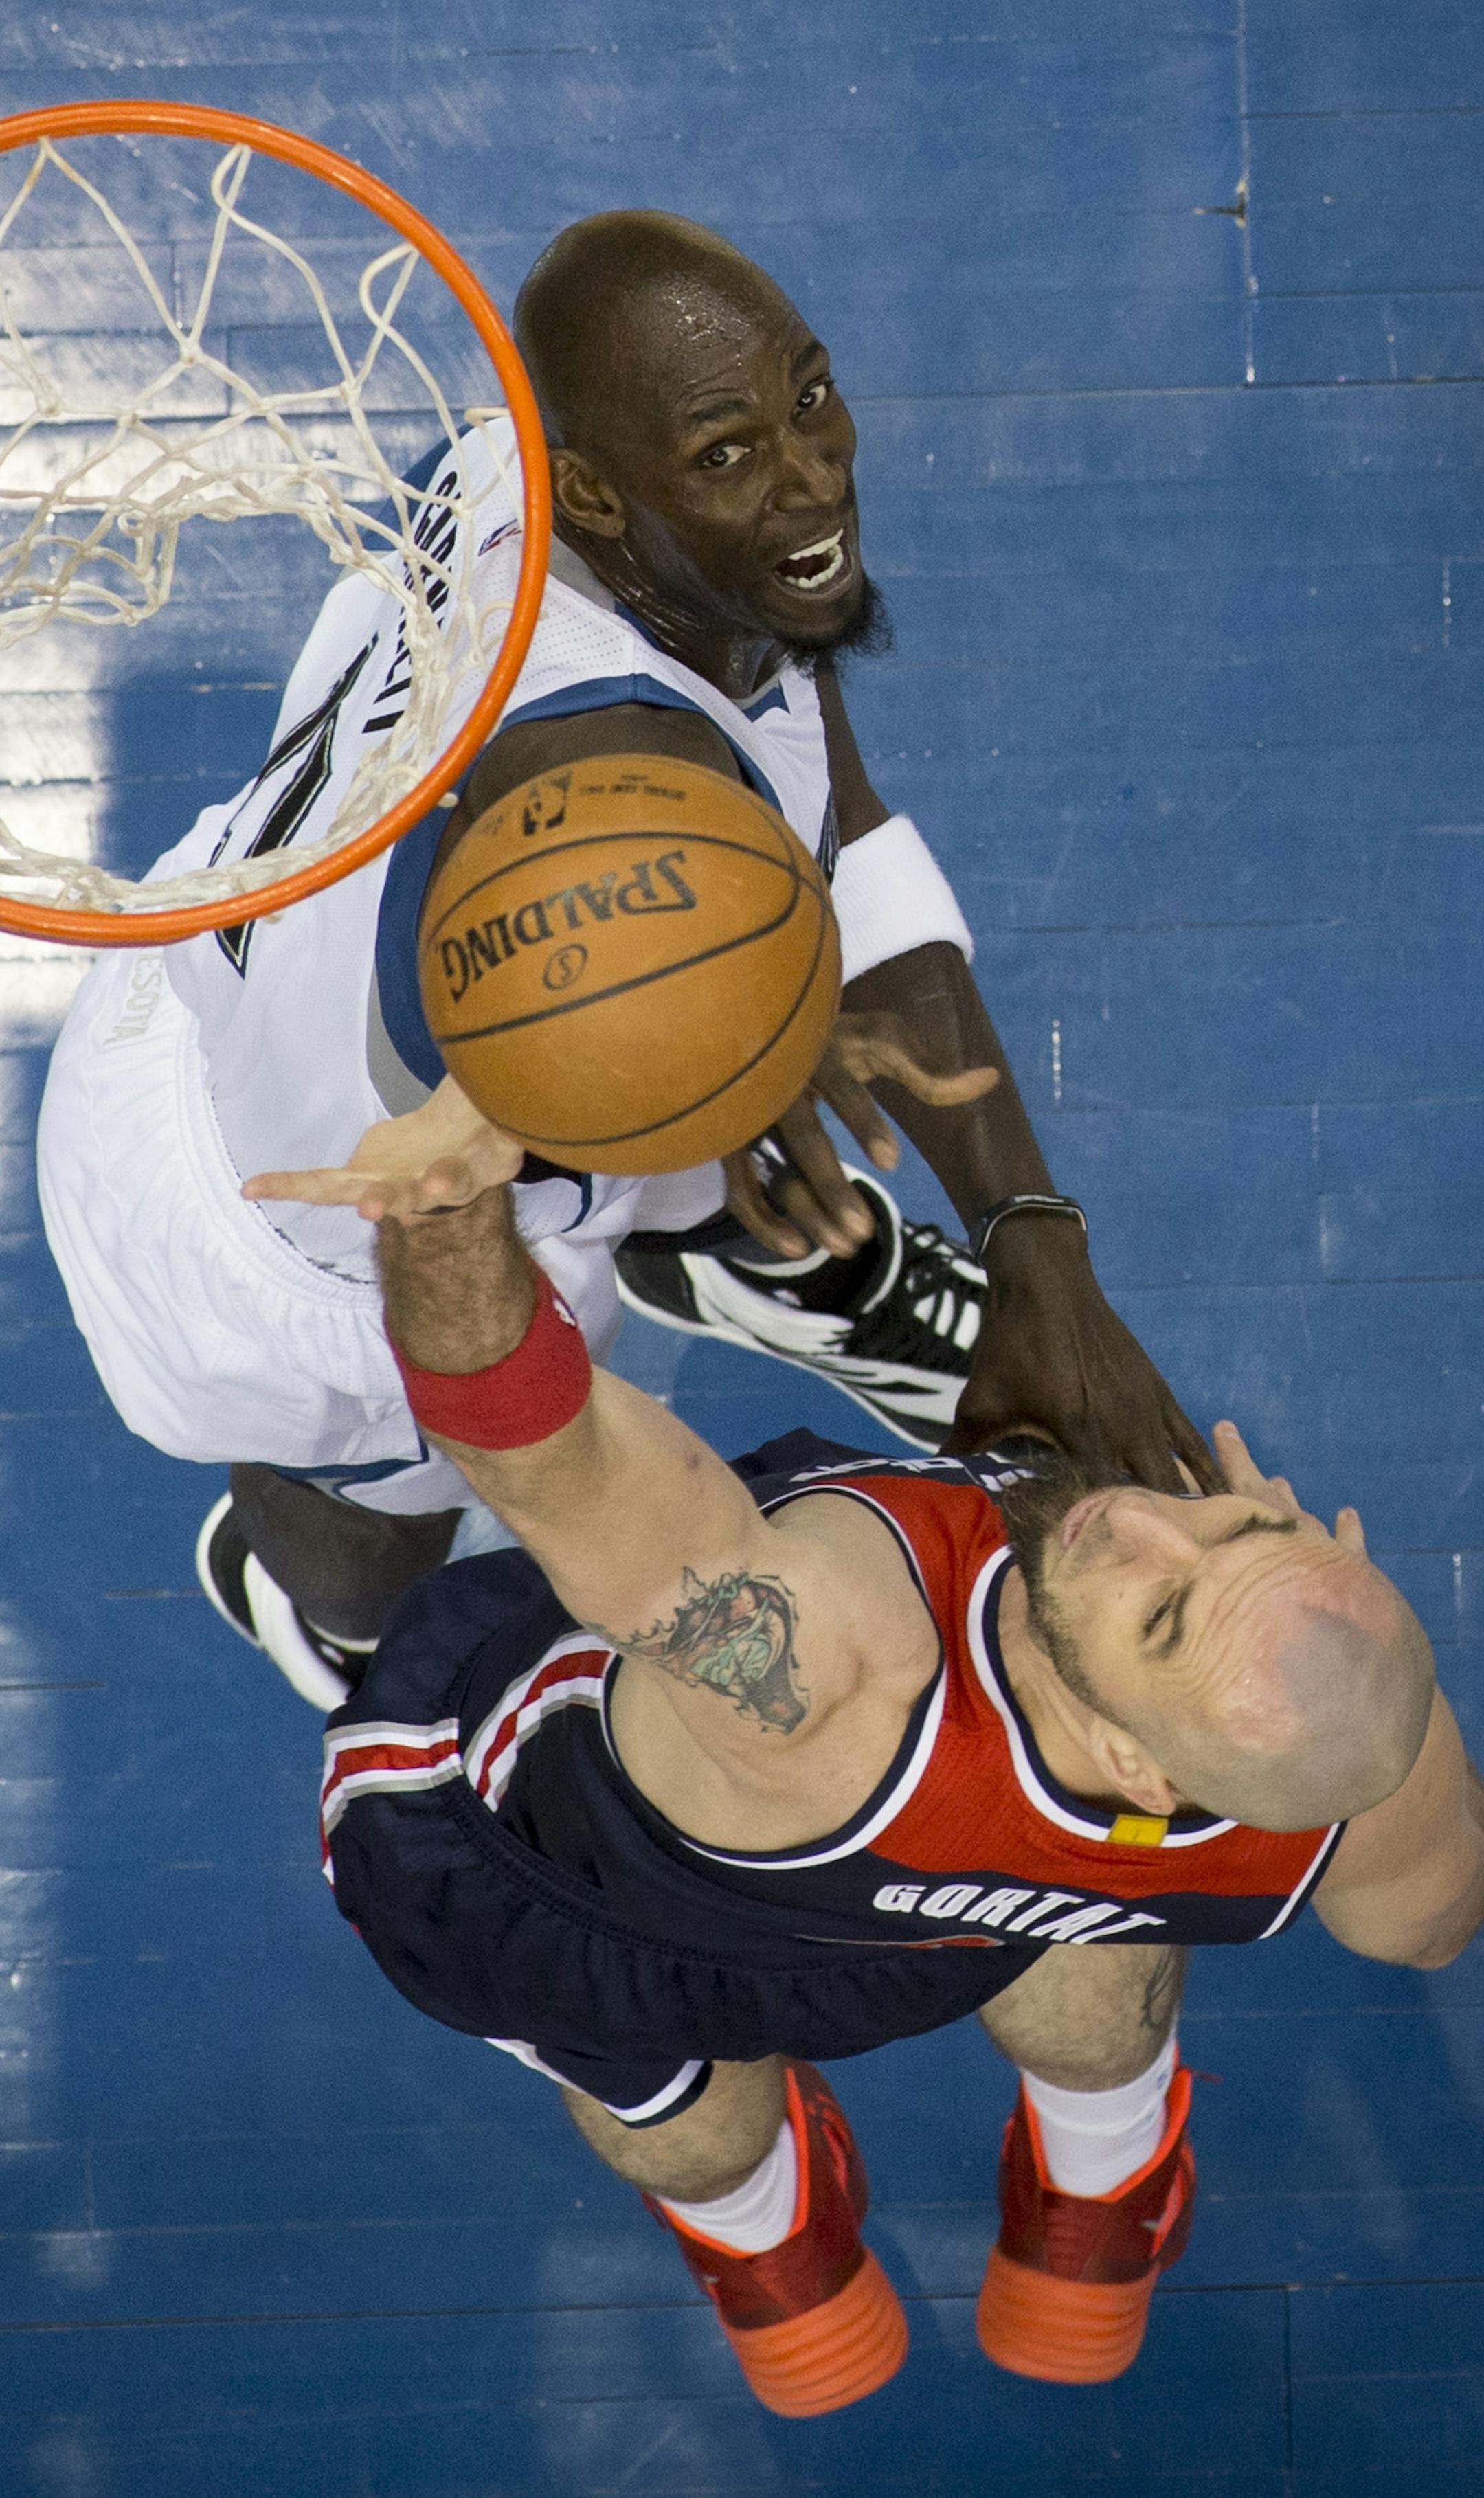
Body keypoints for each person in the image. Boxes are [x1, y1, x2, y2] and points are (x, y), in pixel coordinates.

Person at [37, 209, 1214, 1711]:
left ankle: (723, 1232)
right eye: (732, 455)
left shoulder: (548, 473)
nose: (814, 475)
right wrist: (755, 1055)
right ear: (593, 488)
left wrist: (1037, 1248)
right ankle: (305, 1601)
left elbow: (827, 812)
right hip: (290, 1227)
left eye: (811, 392)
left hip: (244, 939)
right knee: (373, 1565)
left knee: (728, 1029)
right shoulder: (602, 806)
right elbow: (652, 909)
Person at [260, 1098, 1484, 2413]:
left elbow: (542, 1456)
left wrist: (446, 1217)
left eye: (1164, 1609)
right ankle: (1098, 2208)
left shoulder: (820, 1668)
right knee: (1106, 1921)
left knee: (687, 2124)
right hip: (947, 1917)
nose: (1141, 1522)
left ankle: (770, 2255)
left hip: (568, 1879)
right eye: (1238, 1533)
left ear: (1139, 1761)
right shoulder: (1350, 1790)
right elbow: (1428, 1924)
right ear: (1315, 1524)